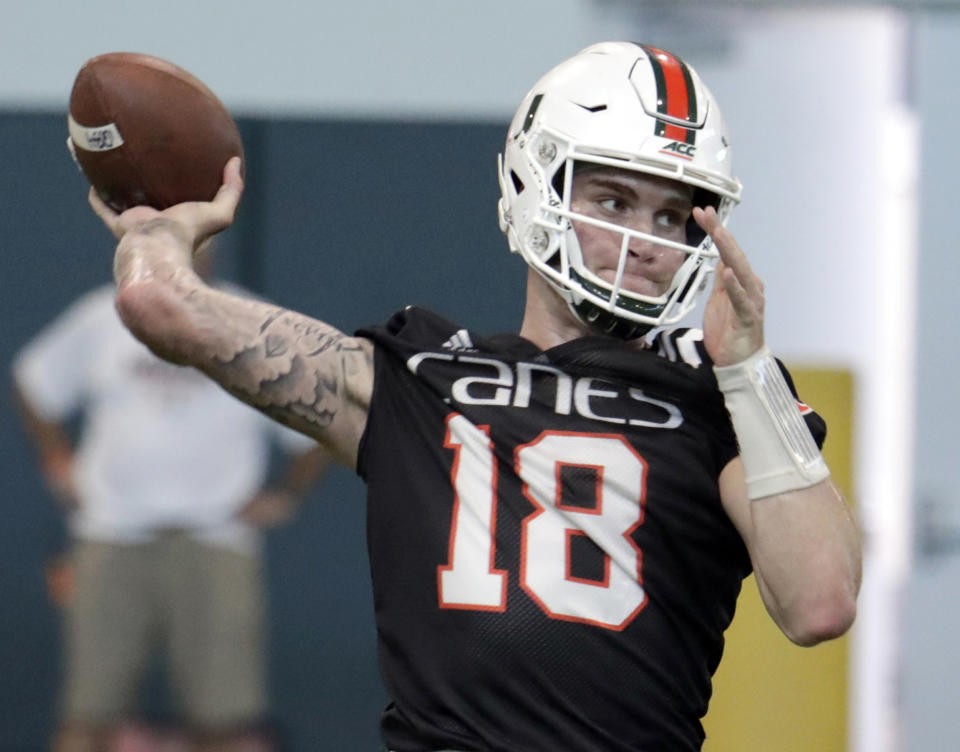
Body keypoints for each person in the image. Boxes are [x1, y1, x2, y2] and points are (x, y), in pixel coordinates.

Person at [86, 42, 861, 752]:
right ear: (534, 183)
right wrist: (156, 231)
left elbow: (820, 603)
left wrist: (749, 369)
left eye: (670, 216)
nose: (645, 245)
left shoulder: (721, 394)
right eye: (613, 203)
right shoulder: (422, 372)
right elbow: (163, 306)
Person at [12, 247, 330, 752]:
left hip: (216, 540)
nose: (183, 248)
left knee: (229, 727)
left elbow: (319, 423)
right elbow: (35, 380)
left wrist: (288, 494)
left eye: (196, 237)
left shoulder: (255, 327)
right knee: (86, 720)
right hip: (110, 533)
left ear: (216, 239)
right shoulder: (103, 315)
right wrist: (55, 458)